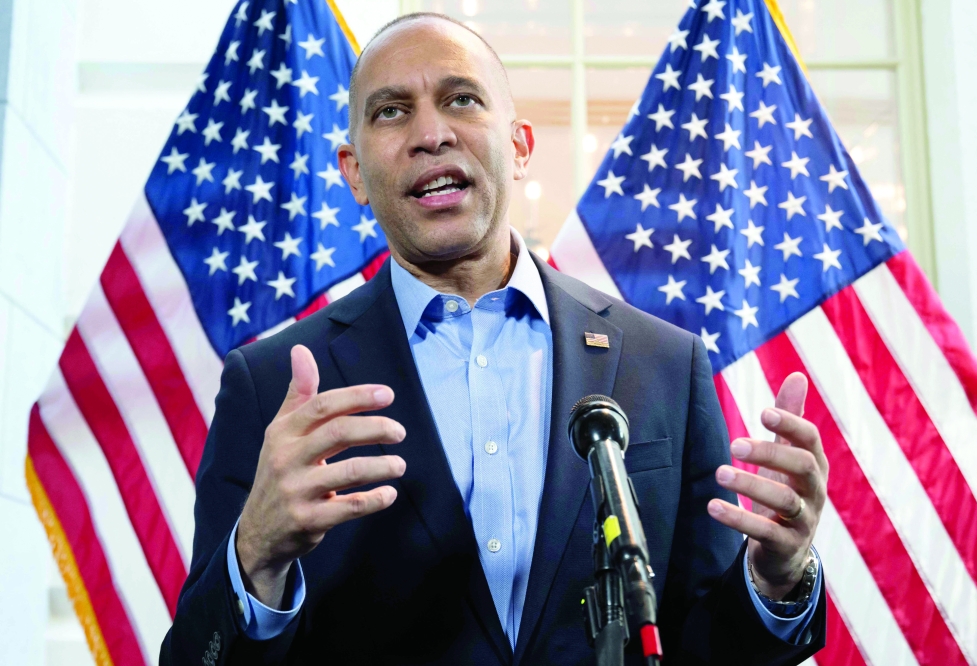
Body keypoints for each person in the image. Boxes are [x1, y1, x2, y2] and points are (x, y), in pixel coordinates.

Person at [161, 12, 828, 665]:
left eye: (461, 99)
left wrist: (777, 578)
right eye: (391, 111)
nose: (430, 134)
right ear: (354, 173)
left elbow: (703, 645)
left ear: (519, 147)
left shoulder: (663, 364)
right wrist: (255, 558)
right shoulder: (271, 387)